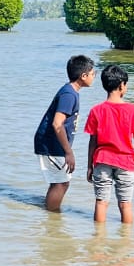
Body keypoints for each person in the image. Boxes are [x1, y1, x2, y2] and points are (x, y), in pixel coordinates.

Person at [84, 65, 134, 224]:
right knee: (125, 204)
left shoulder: (96, 110)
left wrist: (89, 166)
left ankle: (98, 241)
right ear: (122, 86)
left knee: (101, 202)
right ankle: (126, 243)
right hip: (126, 162)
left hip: (102, 160)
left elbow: (92, 141)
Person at [34, 55, 97, 212]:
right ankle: (53, 217)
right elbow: (57, 124)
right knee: (62, 183)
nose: (94, 76)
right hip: (51, 145)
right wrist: (69, 152)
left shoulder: (71, 92)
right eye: (92, 73)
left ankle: (50, 212)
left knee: (59, 181)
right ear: (83, 76)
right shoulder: (69, 94)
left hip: (54, 144)